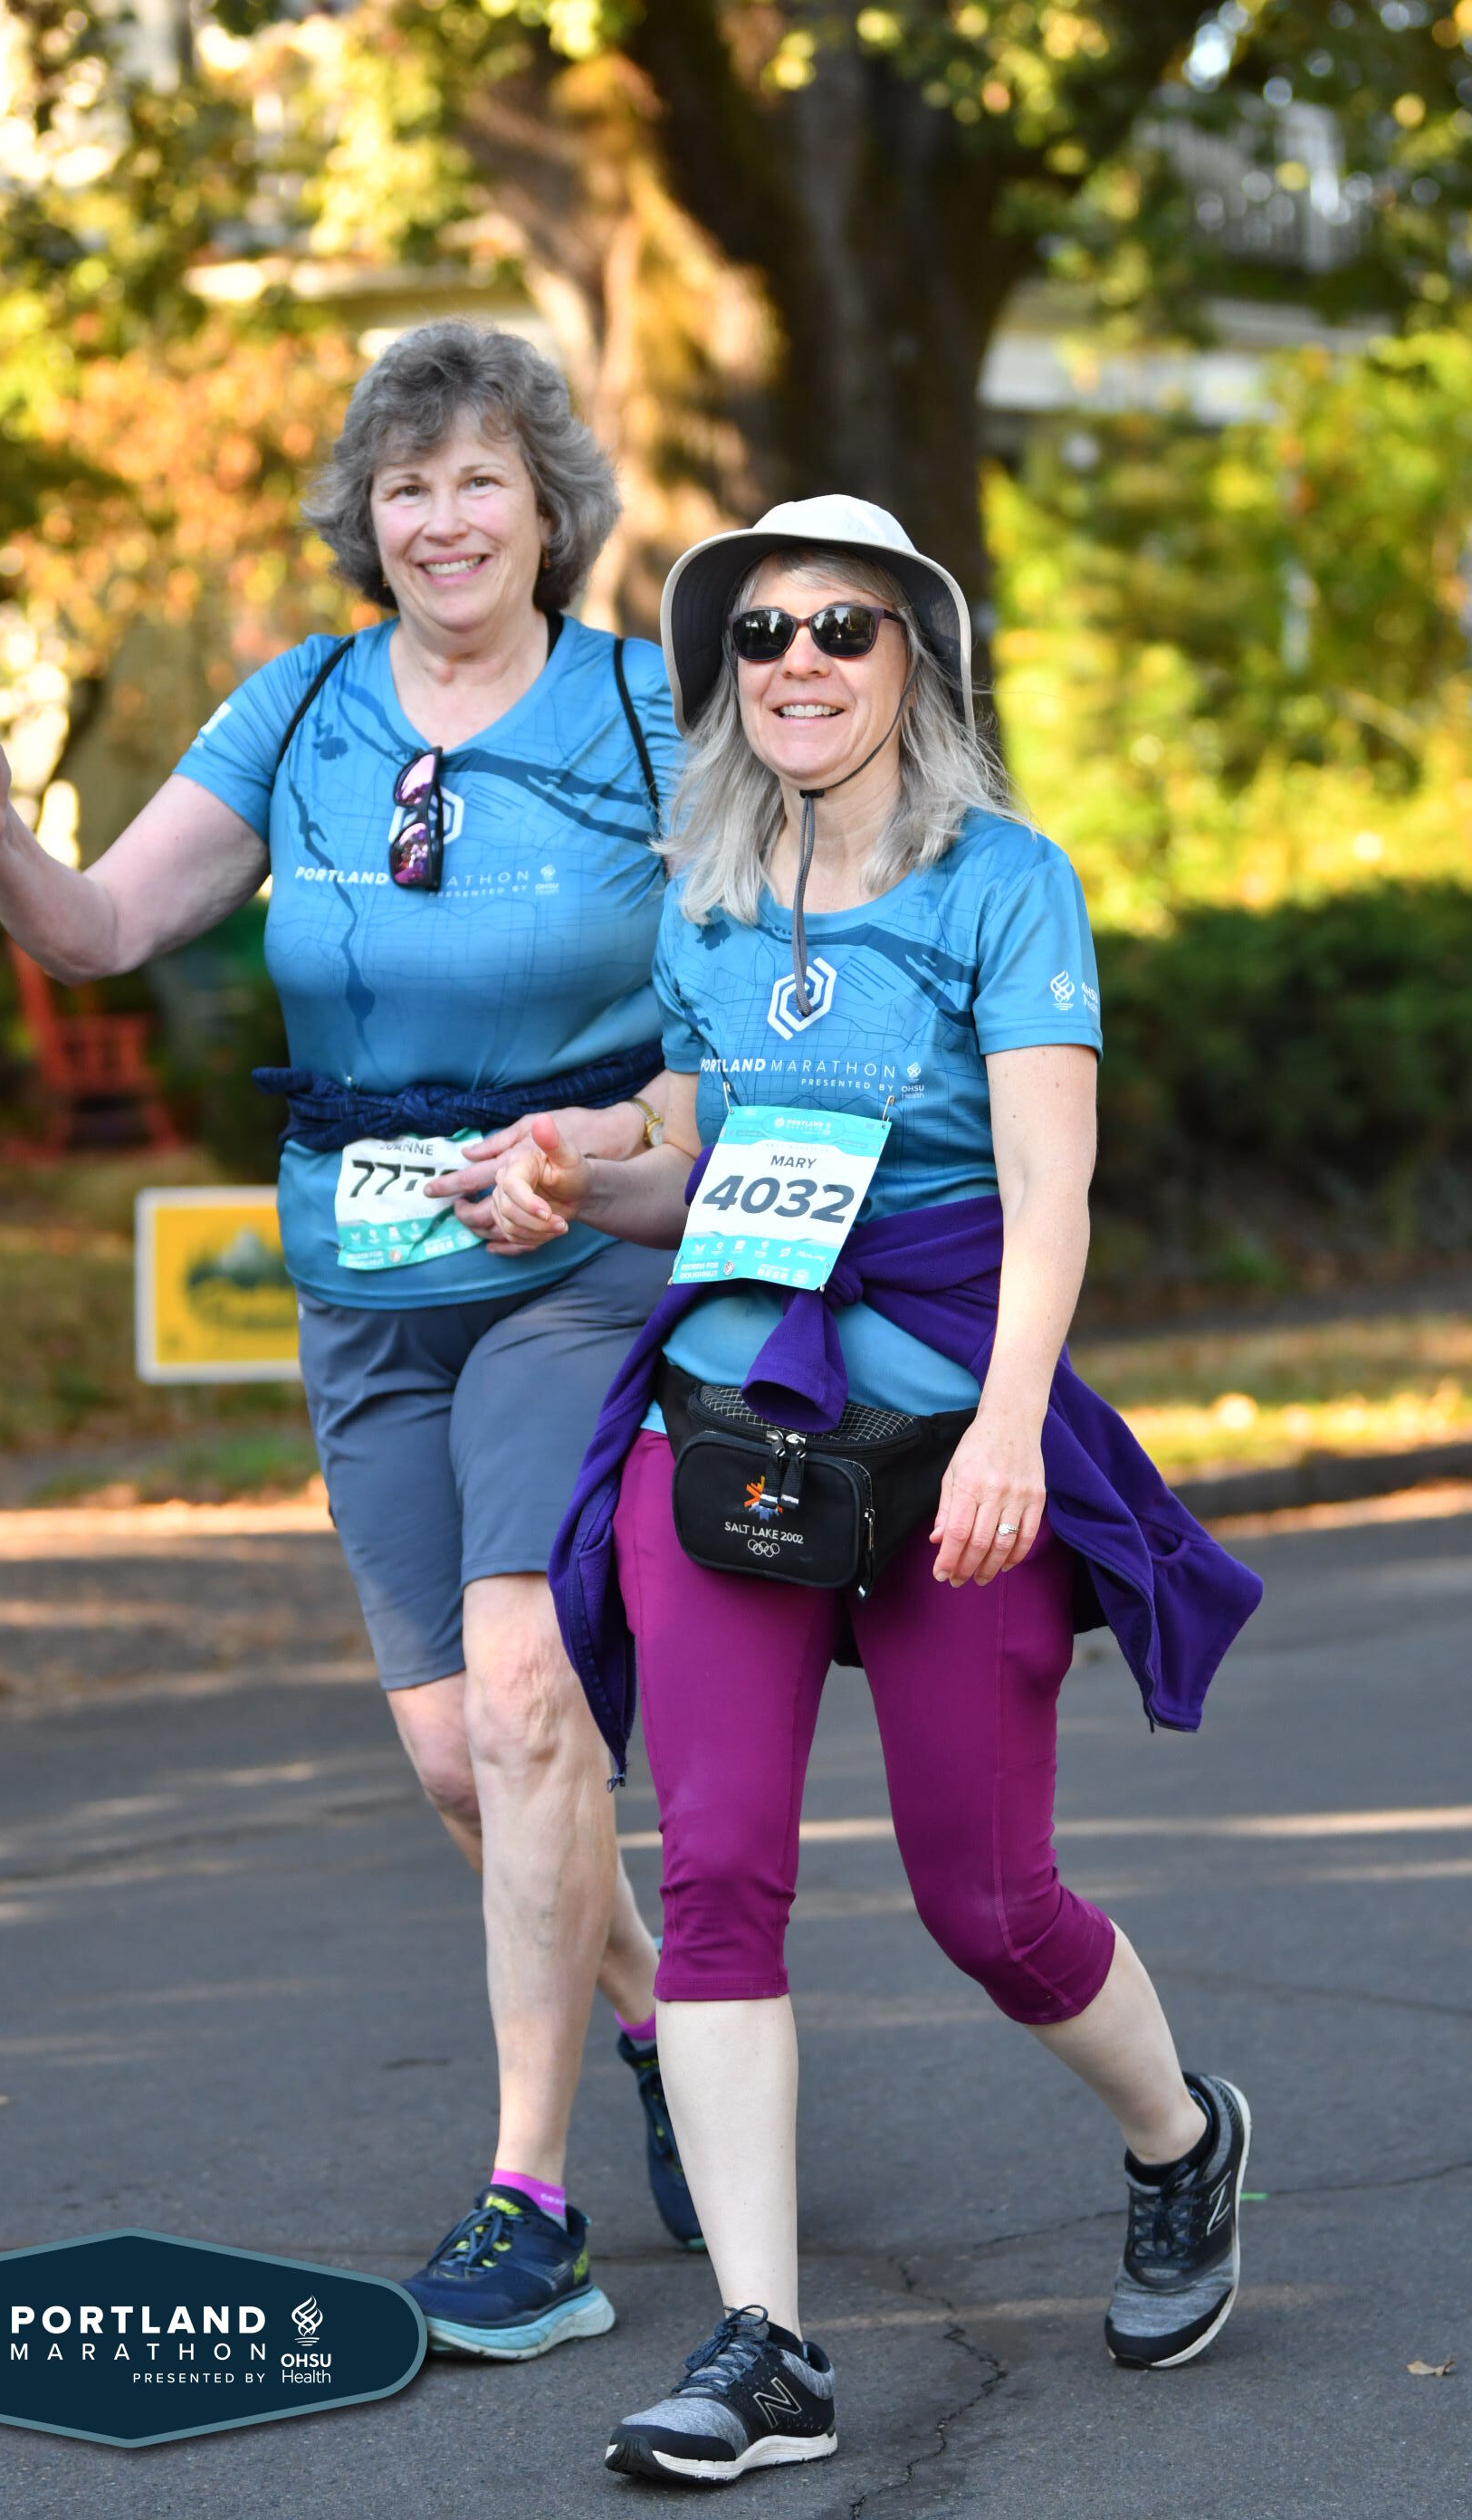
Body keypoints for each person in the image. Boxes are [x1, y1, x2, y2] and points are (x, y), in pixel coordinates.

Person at [0, 320, 706, 2362]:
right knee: (454, 1755)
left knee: (523, 1692)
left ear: (547, 509)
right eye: (405, 484)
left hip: (571, 1259)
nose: (442, 518)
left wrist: (606, 1151)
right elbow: (101, 929)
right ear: (368, 516)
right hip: (364, 1278)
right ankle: (667, 2022)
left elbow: (737, 1005)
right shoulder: (299, 708)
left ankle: (530, 2204)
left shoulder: (647, 712)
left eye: (480, 478)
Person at [490, 494, 1266, 2481]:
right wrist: (575, 1173)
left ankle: (1179, 2138)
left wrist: (1011, 1428)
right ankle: (764, 2348)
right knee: (719, 1872)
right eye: (762, 634)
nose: (800, 663)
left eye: (843, 626)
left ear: (917, 654)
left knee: (986, 1902)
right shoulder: (705, 890)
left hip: (946, 1439)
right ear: (725, 676)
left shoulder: (1008, 881)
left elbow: (1049, 1190)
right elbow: (696, 1160)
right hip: (729, 1423)